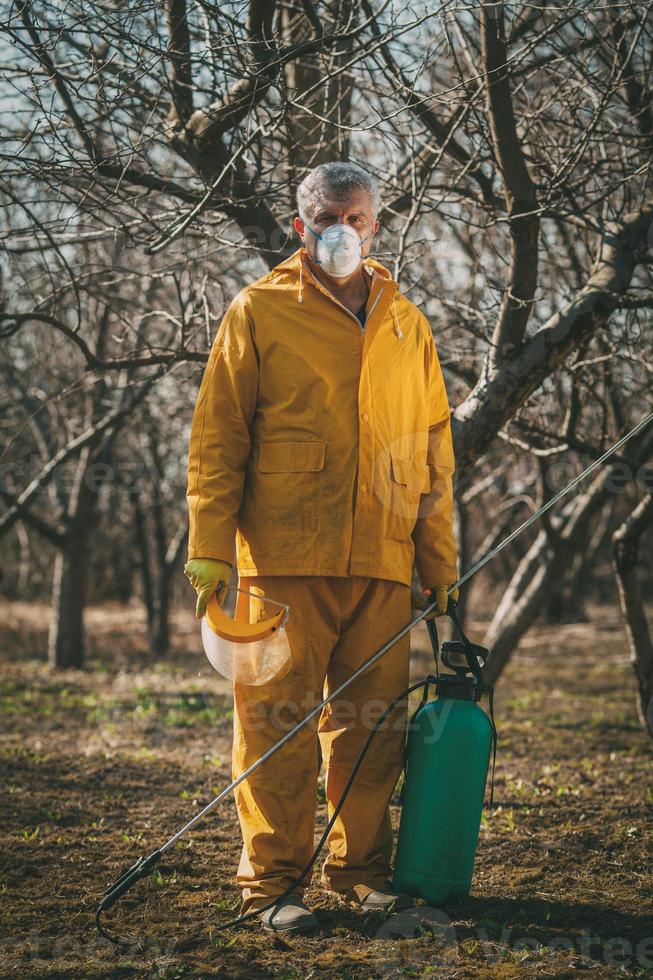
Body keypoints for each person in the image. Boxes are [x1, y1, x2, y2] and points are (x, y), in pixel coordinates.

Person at [185, 161, 459, 934]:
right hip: (280, 558)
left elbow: (434, 451)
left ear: (377, 224)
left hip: (381, 559)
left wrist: (437, 563)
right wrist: (210, 543)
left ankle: (361, 874)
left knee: (372, 729)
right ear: (300, 224)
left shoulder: (407, 321)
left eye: (357, 217)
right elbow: (218, 436)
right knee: (275, 723)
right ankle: (271, 886)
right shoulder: (258, 310)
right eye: (326, 217)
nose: (342, 230)